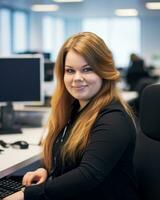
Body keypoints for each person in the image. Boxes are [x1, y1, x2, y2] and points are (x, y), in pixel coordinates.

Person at [4, 32, 140, 200]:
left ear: (104, 71)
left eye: (87, 69)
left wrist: (26, 195)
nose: (77, 78)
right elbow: (65, 155)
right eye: (70, 70)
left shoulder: (113, 119)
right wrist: (45, 170)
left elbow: (87, 175)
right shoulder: (74, 110)